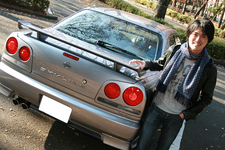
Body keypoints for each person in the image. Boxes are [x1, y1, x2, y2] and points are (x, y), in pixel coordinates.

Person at [129, 18, 217, 150]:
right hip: (156, 108)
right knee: (142, 146)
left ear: (208, 40)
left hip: (176, 116)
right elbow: (160, 64)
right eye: (195, 34)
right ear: (189, 35)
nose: (198, 40)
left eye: (203, 36)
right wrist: (146, 64)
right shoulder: (175, 51)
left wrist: (185, 115)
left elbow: (206, 98)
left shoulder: (209, 68)